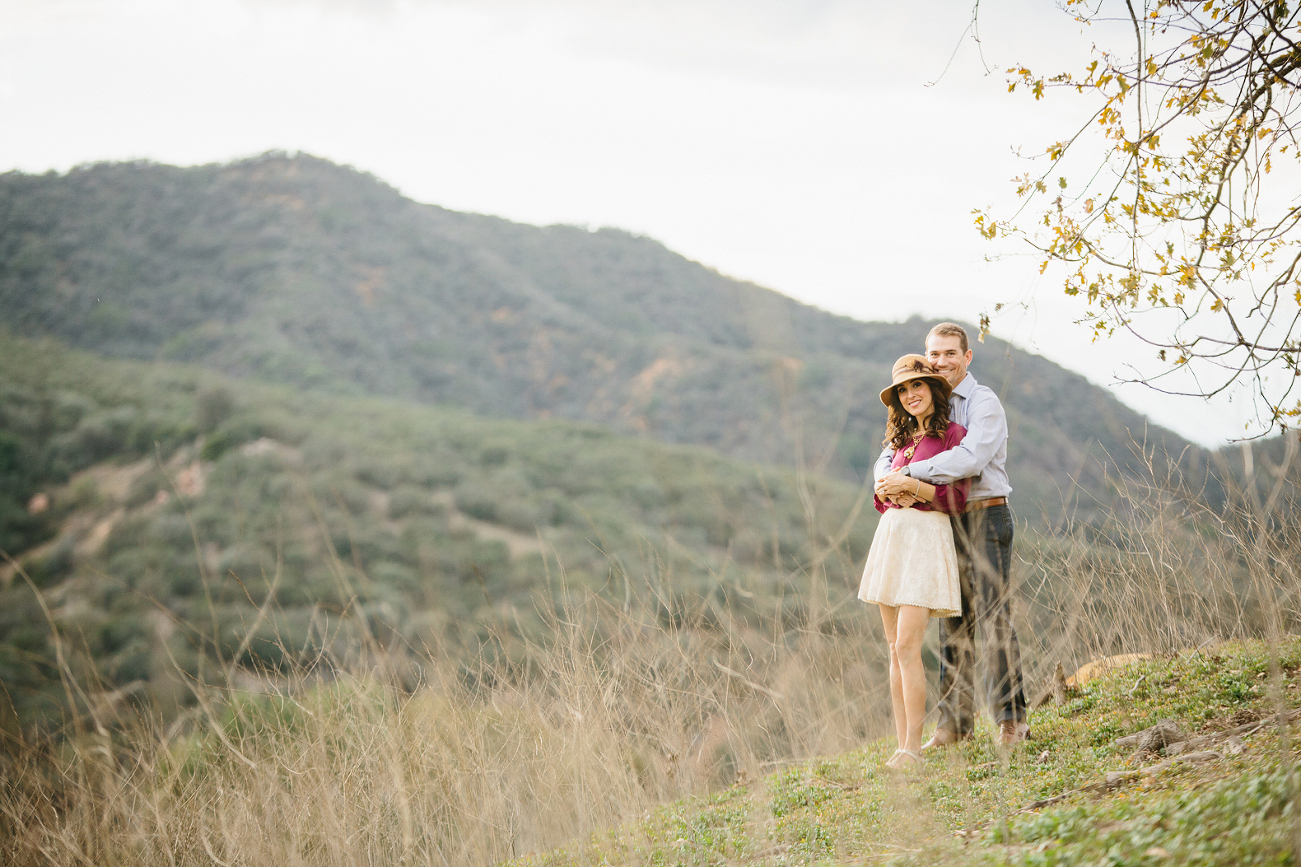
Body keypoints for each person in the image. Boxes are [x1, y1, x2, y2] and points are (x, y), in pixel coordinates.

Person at [873, 322, 1030, 748]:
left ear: (967, 357)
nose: (941, 361)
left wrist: (908, 474)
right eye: (934, 354)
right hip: (943, 523)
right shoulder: (929, 405)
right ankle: (955, 725)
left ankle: (1012, 719)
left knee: (995, 619)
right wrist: (886, 477)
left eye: (949, 354)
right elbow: (890, 452)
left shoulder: (983, 403)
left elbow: (969, 459)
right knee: (953, 624)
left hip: (985, 516)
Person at [859, 354, 970, 770]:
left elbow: (958, 498)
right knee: (893, 648)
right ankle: (901, 744)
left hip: (926, 541)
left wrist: (917, 490)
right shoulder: (898, 446)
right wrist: (892, 491)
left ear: (933, 389)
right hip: (893, 538)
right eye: (903, 390)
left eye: (917, 386)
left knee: (908, 645)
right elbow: (880, 499)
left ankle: (914, 749)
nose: (910, 395)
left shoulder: (954, 436)